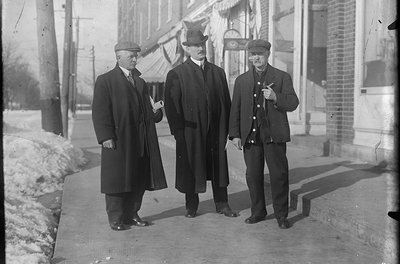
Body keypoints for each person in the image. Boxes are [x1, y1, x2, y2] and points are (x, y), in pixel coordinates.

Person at [92, 41, 167, 231]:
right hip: (119, 138)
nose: (135, 59)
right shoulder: (106, 80)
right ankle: (116, 218)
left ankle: (132, 213)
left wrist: (156, 112)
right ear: (118, 57)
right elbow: (100, 111)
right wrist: (105, 136)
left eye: (136, 56)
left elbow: (146, 111)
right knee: (117, 179)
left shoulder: (140, 82)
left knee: (138, 178)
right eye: (131, 56)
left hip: (141, 139)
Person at [164, 29, 237, 218]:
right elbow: (172, 108)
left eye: (202, 44)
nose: (200, 48)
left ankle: (222, 204)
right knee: (192, 167)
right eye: (195, 45)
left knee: (218, 168)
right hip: (191, 131)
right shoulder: (177, 74)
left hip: (216, 131)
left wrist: (230, 132)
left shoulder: (218, 73)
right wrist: (178, 133)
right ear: (187, 48)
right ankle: (191, 206)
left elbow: (226, 104)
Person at [229, 39, 299, 229]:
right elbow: (235, 109)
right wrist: (235, 135)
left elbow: (293, 102)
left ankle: (281, 215)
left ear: (268, 54)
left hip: (273, 136)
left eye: (259, 54)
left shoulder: (282, 77)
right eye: (252, 54)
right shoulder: (242, 80)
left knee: (278, 175)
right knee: (253, 176)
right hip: (251, 136)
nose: (256, 58)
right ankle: (258, 212)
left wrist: (276, 97)